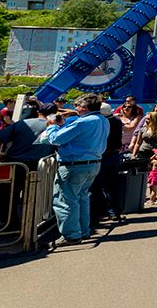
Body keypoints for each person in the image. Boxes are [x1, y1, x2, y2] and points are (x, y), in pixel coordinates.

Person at [41, 93, 110, 245]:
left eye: (77, 106)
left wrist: (52, 126)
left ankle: (71, 235)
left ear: (84, 107)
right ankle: (83, 230)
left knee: (66, 200)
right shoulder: (103, 120)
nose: (75, 109)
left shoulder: (82, 122)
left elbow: (56, 139)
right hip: (93, 163)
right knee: (82, 197)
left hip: (74, 164)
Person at [0, 100, 51, 225]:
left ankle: (9, 223)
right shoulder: (52, 125)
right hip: (39, 165)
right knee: (34, 196)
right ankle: (31, 224)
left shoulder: (20, 124)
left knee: (7, 195)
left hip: (15, 163)